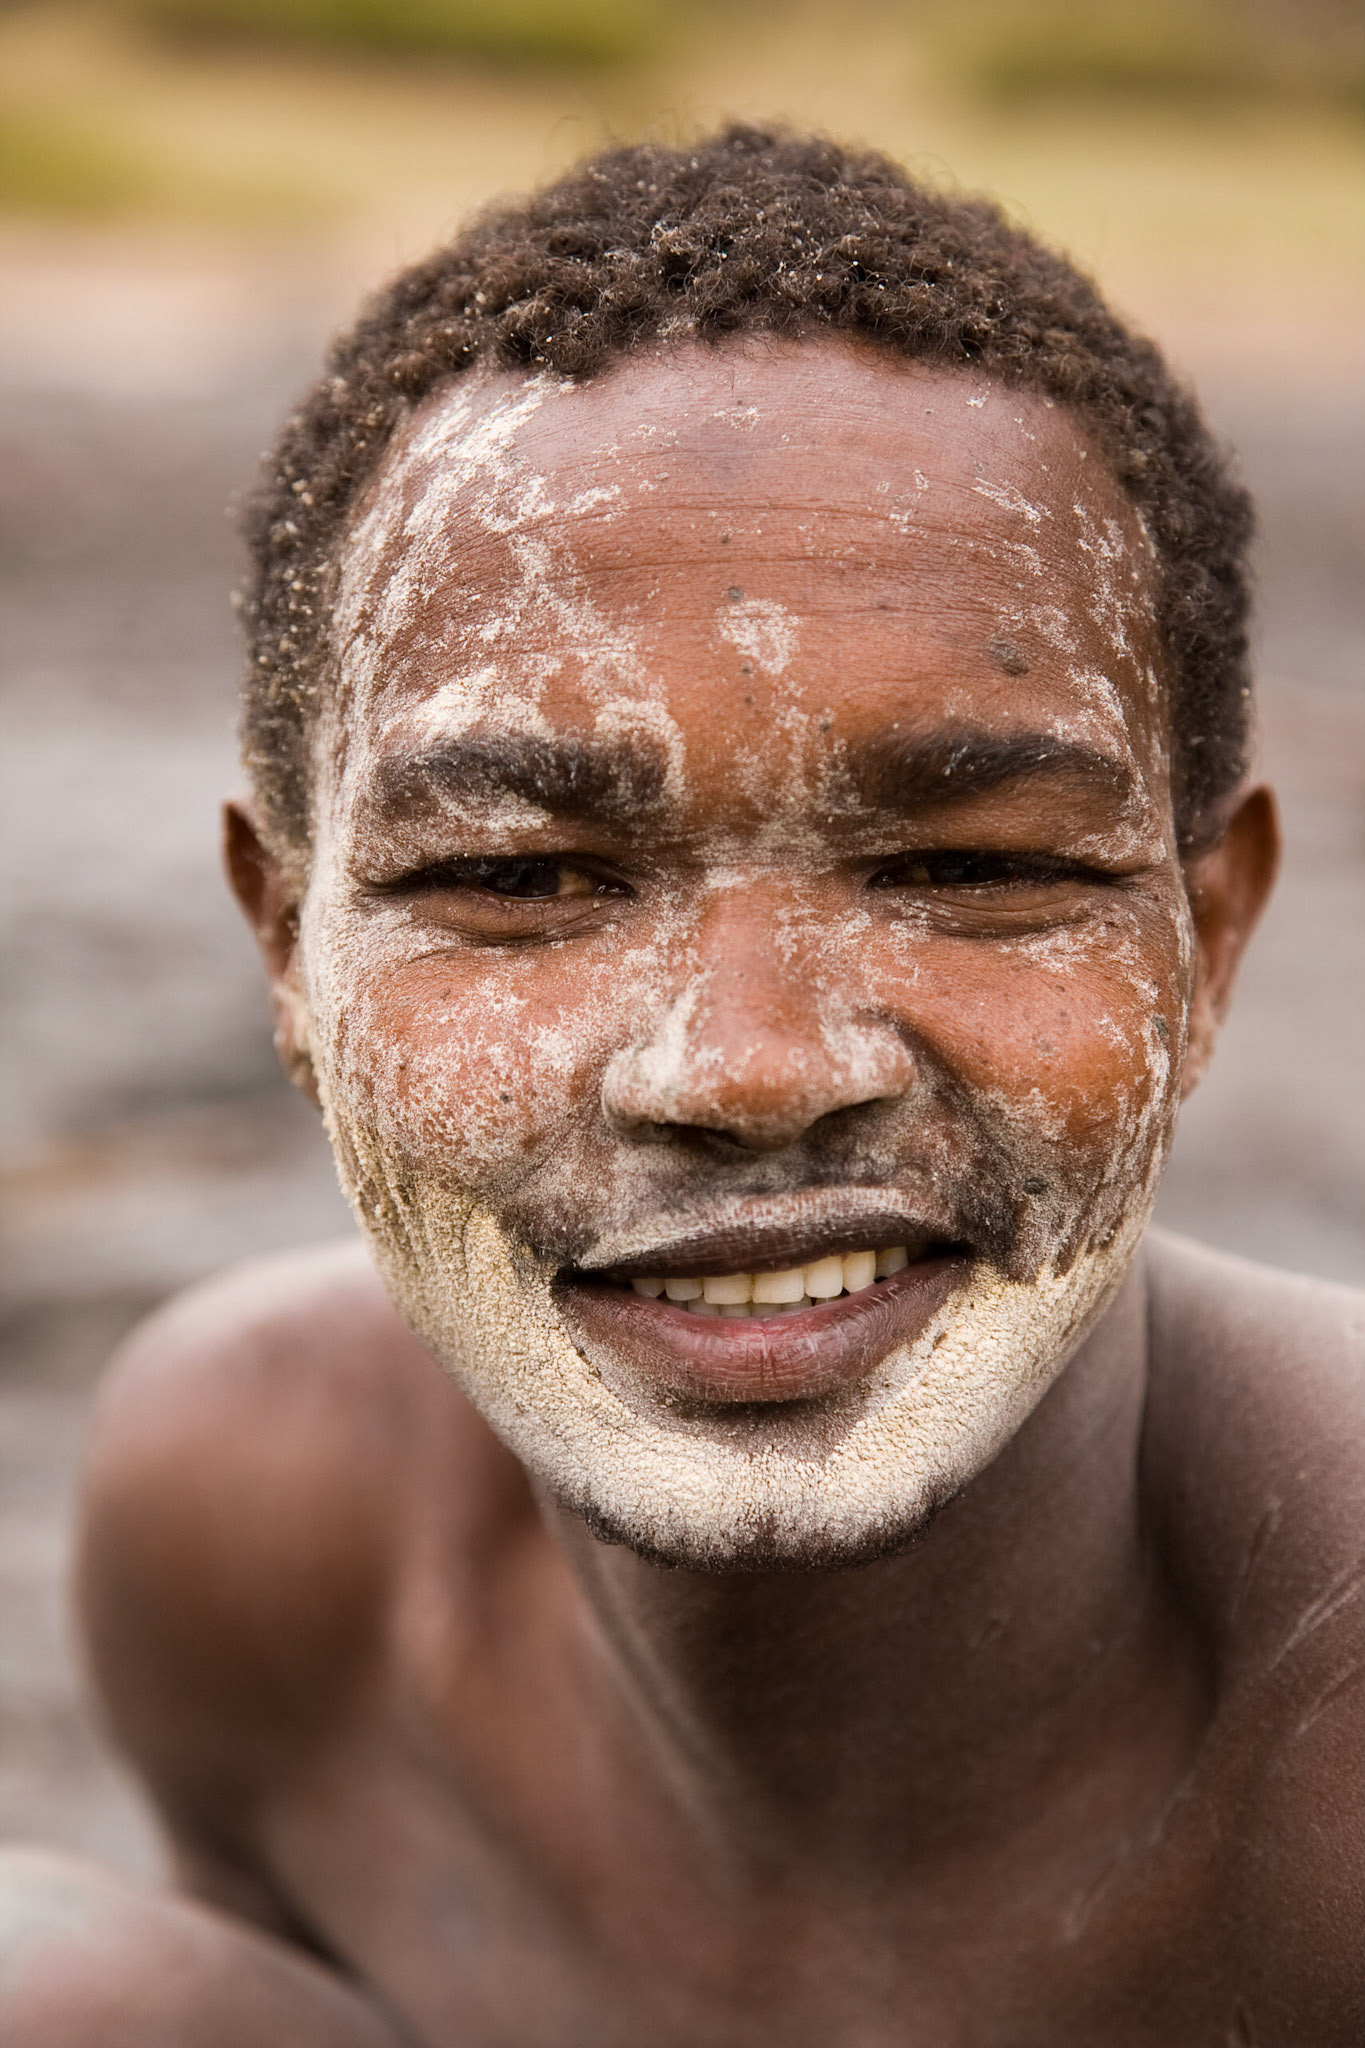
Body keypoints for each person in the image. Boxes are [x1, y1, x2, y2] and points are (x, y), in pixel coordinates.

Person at [2, 125, 1361, 2046]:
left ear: (1205, 942)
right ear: (289, 950)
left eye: (969, 867)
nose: (747, 1070)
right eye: (518, 881)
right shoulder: (257, 1519)